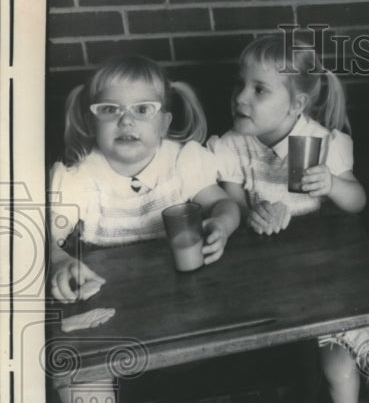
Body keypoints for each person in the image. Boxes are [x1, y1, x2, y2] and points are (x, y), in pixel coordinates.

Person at [207, 35, 369, 403]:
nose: (241, 98)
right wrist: (254, 213)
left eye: (259, 90)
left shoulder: (321, 143)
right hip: (265, 267)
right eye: (239, 85)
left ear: (296, 104)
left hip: (318, 266)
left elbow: (359, 200)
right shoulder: (232, 145)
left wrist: (331, 184)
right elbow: (233, 202)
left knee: (335, 351)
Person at [49, 55, 239, 303]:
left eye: (142, 109)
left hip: (188, 291)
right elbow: (46, 236)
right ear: (90, 123)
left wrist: (222, 225)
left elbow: (224, 204)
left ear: (163, 124)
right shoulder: (80, 177)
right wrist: (59, 259)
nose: (126, 120)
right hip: (113, 296)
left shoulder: (182, 162)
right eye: (109, 109)